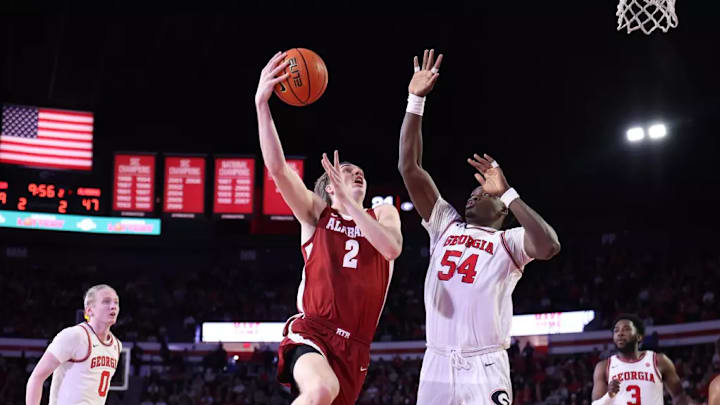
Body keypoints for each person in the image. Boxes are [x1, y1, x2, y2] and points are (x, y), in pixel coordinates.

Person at [398, 49, 561, 405]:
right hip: (437, 361)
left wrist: (508, 191)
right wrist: (415, 101)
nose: (472, 197)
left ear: (503, 208)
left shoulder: (510, 241)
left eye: (483, 193)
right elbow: (409, 168)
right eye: (471, 193)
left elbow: (549, 246)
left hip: (485, 363)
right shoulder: (445, 225)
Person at [254, 51, 403, 405]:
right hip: (312, 331)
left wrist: (353, 204)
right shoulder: (315, 215)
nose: (356, 173)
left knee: (326, 397)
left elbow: (392, 248)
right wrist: (262, 103)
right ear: (329, 186)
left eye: (358, 172)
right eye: (346, 171)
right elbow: (277, 168)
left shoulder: (383, 214)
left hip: (356, 345)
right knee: (321, 390)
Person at [26, 284, 122, 405]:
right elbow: (36, 378)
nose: (113, 306)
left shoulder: (116, 345)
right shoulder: (74, 336)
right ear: (89, 310)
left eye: (116, 302)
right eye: (106, 302)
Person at [591, 314, 690, 404]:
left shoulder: (659, 361)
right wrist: (608, 396)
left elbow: (679, 396)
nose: (620, 333)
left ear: (639, 337)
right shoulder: (603, 367)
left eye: (626, 329)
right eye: (616, 330)